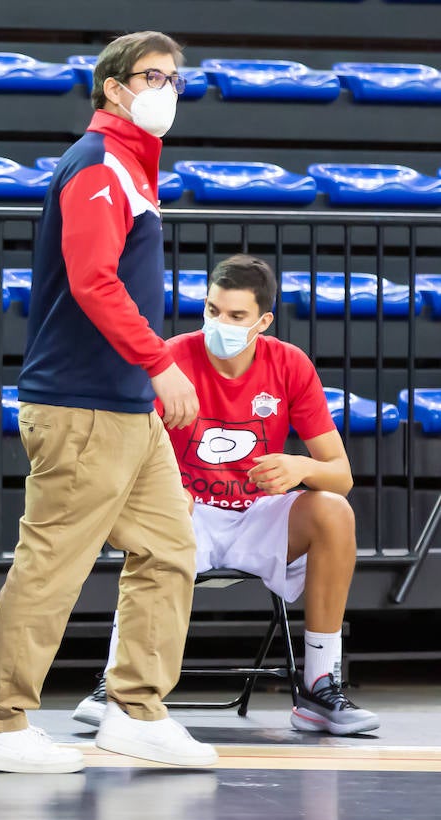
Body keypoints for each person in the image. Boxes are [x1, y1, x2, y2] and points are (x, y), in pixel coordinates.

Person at [0, 30, 217, 774]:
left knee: (169, 551)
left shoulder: (133, 166)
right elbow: (93, 279)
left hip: (127, 406)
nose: (166, 87)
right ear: (113, 88)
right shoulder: (100, 163)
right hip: (84, 404)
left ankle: (136, 708)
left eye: (175, 76)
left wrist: (145, 376)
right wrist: (159, 361)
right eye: (152, 75)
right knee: (53, 564)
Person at [71, 255, 378, 735]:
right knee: (153, 513)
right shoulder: (171, 358)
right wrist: (162, 490)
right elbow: (123, 459)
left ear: (263, 321)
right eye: (213, 311)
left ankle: (319, 687)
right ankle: (118, 683)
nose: (220, 324)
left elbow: (341, 475)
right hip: (186, 513)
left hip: (257, 514)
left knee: (333, 511)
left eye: (236, 317)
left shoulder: (290, 364)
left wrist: (301, 466)